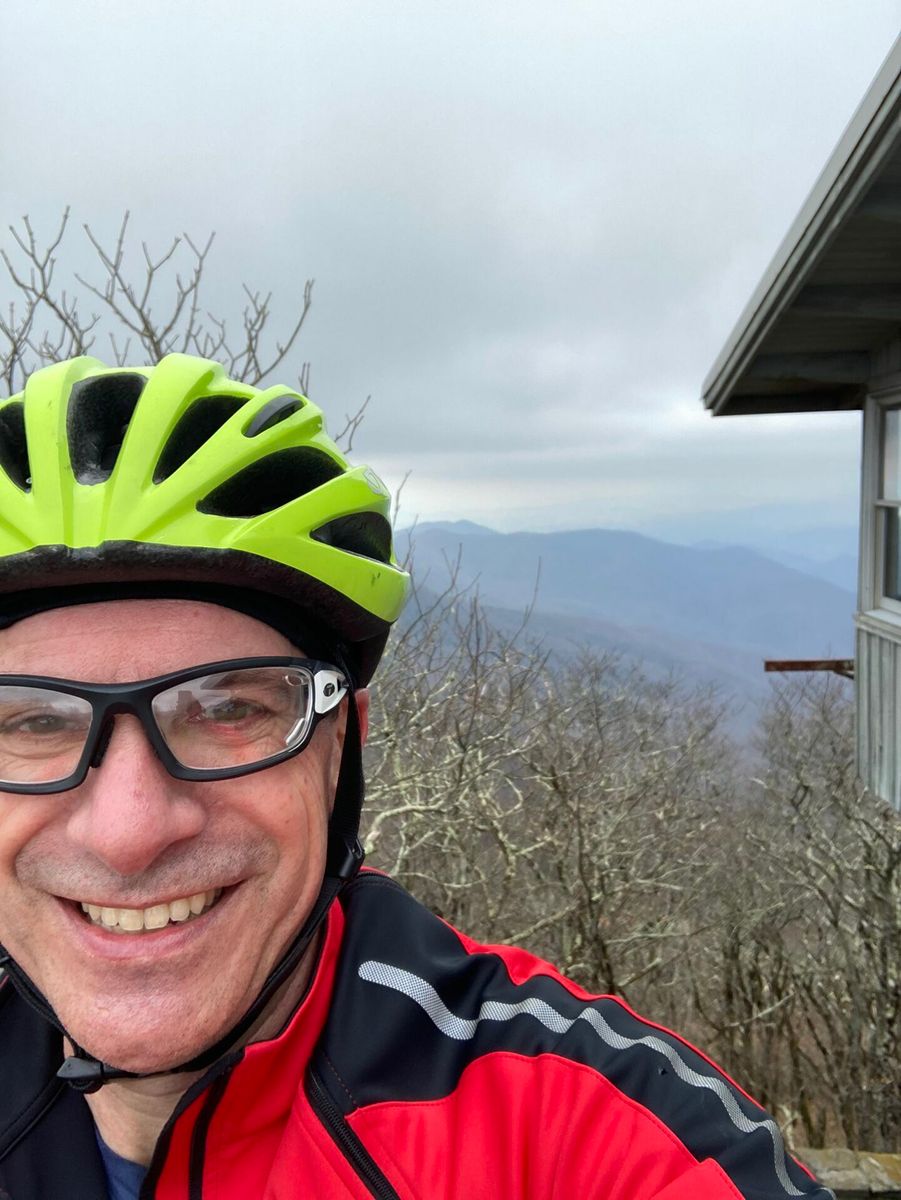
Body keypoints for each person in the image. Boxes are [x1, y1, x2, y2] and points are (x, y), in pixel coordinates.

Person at [0, 353, 829, 1200]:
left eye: (227, 710)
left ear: (341, 748)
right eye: (32, 722)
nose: (129, 833)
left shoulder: (587, 1129)